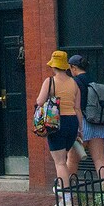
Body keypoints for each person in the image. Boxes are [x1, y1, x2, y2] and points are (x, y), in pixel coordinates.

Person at [35, 50, 82, 187]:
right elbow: (77, 108)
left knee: (60, 162)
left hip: (56, 122)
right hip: (72, 122)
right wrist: (80, 128)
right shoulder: (74, 83)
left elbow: (39, 101)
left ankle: (65, 198)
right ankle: (64, 188)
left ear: (53, 66)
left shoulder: (49, 82)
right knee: (64, 159)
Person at [69, 54, 104, 179]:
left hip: (82, 123)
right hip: (98, 124)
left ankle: (66, 190)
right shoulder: (92, 80)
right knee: (99, 159)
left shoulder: (74, 82)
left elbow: (75, 105)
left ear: (74, 68)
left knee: (72, 160)